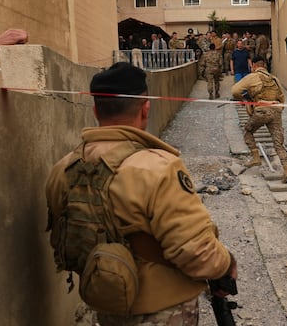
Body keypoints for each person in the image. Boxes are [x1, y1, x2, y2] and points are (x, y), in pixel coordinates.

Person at [45, 62, 236, 325]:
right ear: (145, 108)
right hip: (163, 311)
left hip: (107, 308)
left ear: (95, 110)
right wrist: (227, 265)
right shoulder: (158, 166)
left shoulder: (63, 168)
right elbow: (196, 252)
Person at [231, 56, 287, 182]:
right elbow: (282, 98)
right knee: (278, 143)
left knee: (248, 131)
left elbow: (235, 90)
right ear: (264, 65)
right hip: (276, 110)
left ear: (253, 65)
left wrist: (245, 100)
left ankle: (255, 157)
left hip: (262, 110)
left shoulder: (253, 76)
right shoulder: (275, 79)